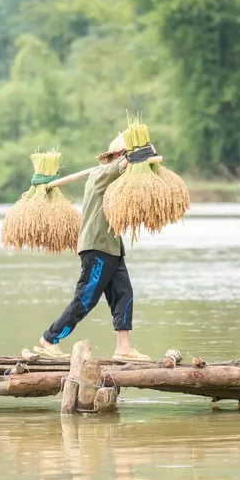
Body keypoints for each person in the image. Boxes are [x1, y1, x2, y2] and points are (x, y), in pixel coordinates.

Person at [34, 134, 152, 361]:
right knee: (85, 299)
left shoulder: (118, 184)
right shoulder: (100, 174)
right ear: (118, 156)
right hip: (97, 248)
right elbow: (122, 165)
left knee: (124, 294)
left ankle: (123, 347)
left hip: (113, 248)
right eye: (123, 156)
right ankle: (49, 339)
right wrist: (139, 152)